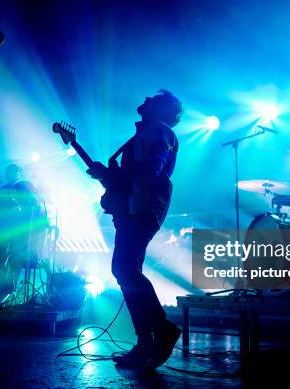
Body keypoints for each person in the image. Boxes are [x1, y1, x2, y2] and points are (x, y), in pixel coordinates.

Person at [87, 90, 183, 368]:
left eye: (153, 99)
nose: (146, 99)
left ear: (163, 109)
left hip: (144, 209)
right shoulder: (144, 134)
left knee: (124, 269)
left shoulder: (161, 133)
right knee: (126, 270)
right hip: (131, 209)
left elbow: (151, 170)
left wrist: (112, 174)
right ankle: (145, 342)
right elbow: (132, 177)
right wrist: (108, 176)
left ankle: (162, 329)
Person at [0, 164, 46, 304]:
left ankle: (11, 295)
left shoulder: (25, 189)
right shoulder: (1, 190)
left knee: (16, 262)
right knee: (2, 263)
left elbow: (34, 212)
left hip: (20, 234)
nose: (13, 174)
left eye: (16, 172)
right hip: (4, 232)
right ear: (7, 174)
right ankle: (1, 296)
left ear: (19, 174)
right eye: (10, 172)